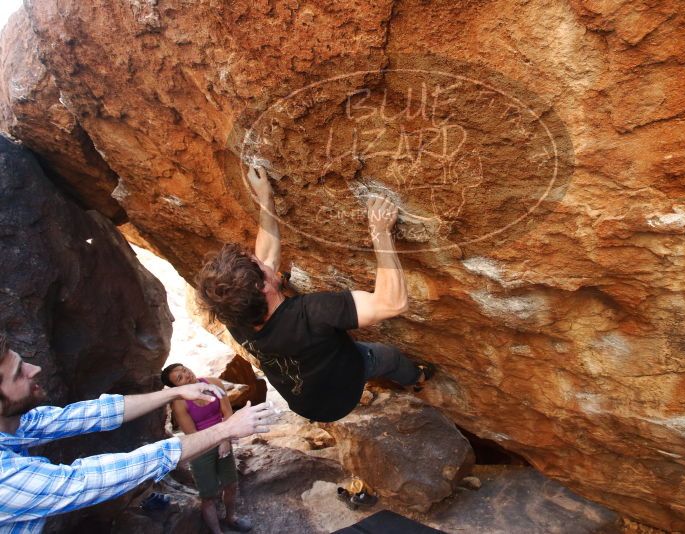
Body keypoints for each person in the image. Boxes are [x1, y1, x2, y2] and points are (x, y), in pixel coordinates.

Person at [194, 166, 434, 423]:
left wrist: (265, 199)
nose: (263, 261)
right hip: (341, 395)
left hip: (303, 400)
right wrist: (380, 233)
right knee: (387, 356)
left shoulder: (231, 312)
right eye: (260, 266)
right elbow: (391, 303)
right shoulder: (312, 313)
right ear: (263, 288)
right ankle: (417, 379)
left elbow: (266, 258)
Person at [0, 333, 272, 533]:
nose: (34, 369)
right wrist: (226, 429)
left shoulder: (17, 423)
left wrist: (175, 392)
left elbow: (96, 413)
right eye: (18, 374)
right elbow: (86, 481)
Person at [161, 363, 251, 533]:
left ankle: (230, 517)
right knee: (208, 496)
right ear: (176, 387)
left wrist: (225, 440)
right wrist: (219, 440)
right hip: (200, 448)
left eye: (185, 370)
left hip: (224, 438)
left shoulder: (214, 384)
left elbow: (227, 413)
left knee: (231, 484)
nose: (187, 375)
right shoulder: (180, 403)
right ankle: (217, 532)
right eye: (180, 378)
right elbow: (193, 435)